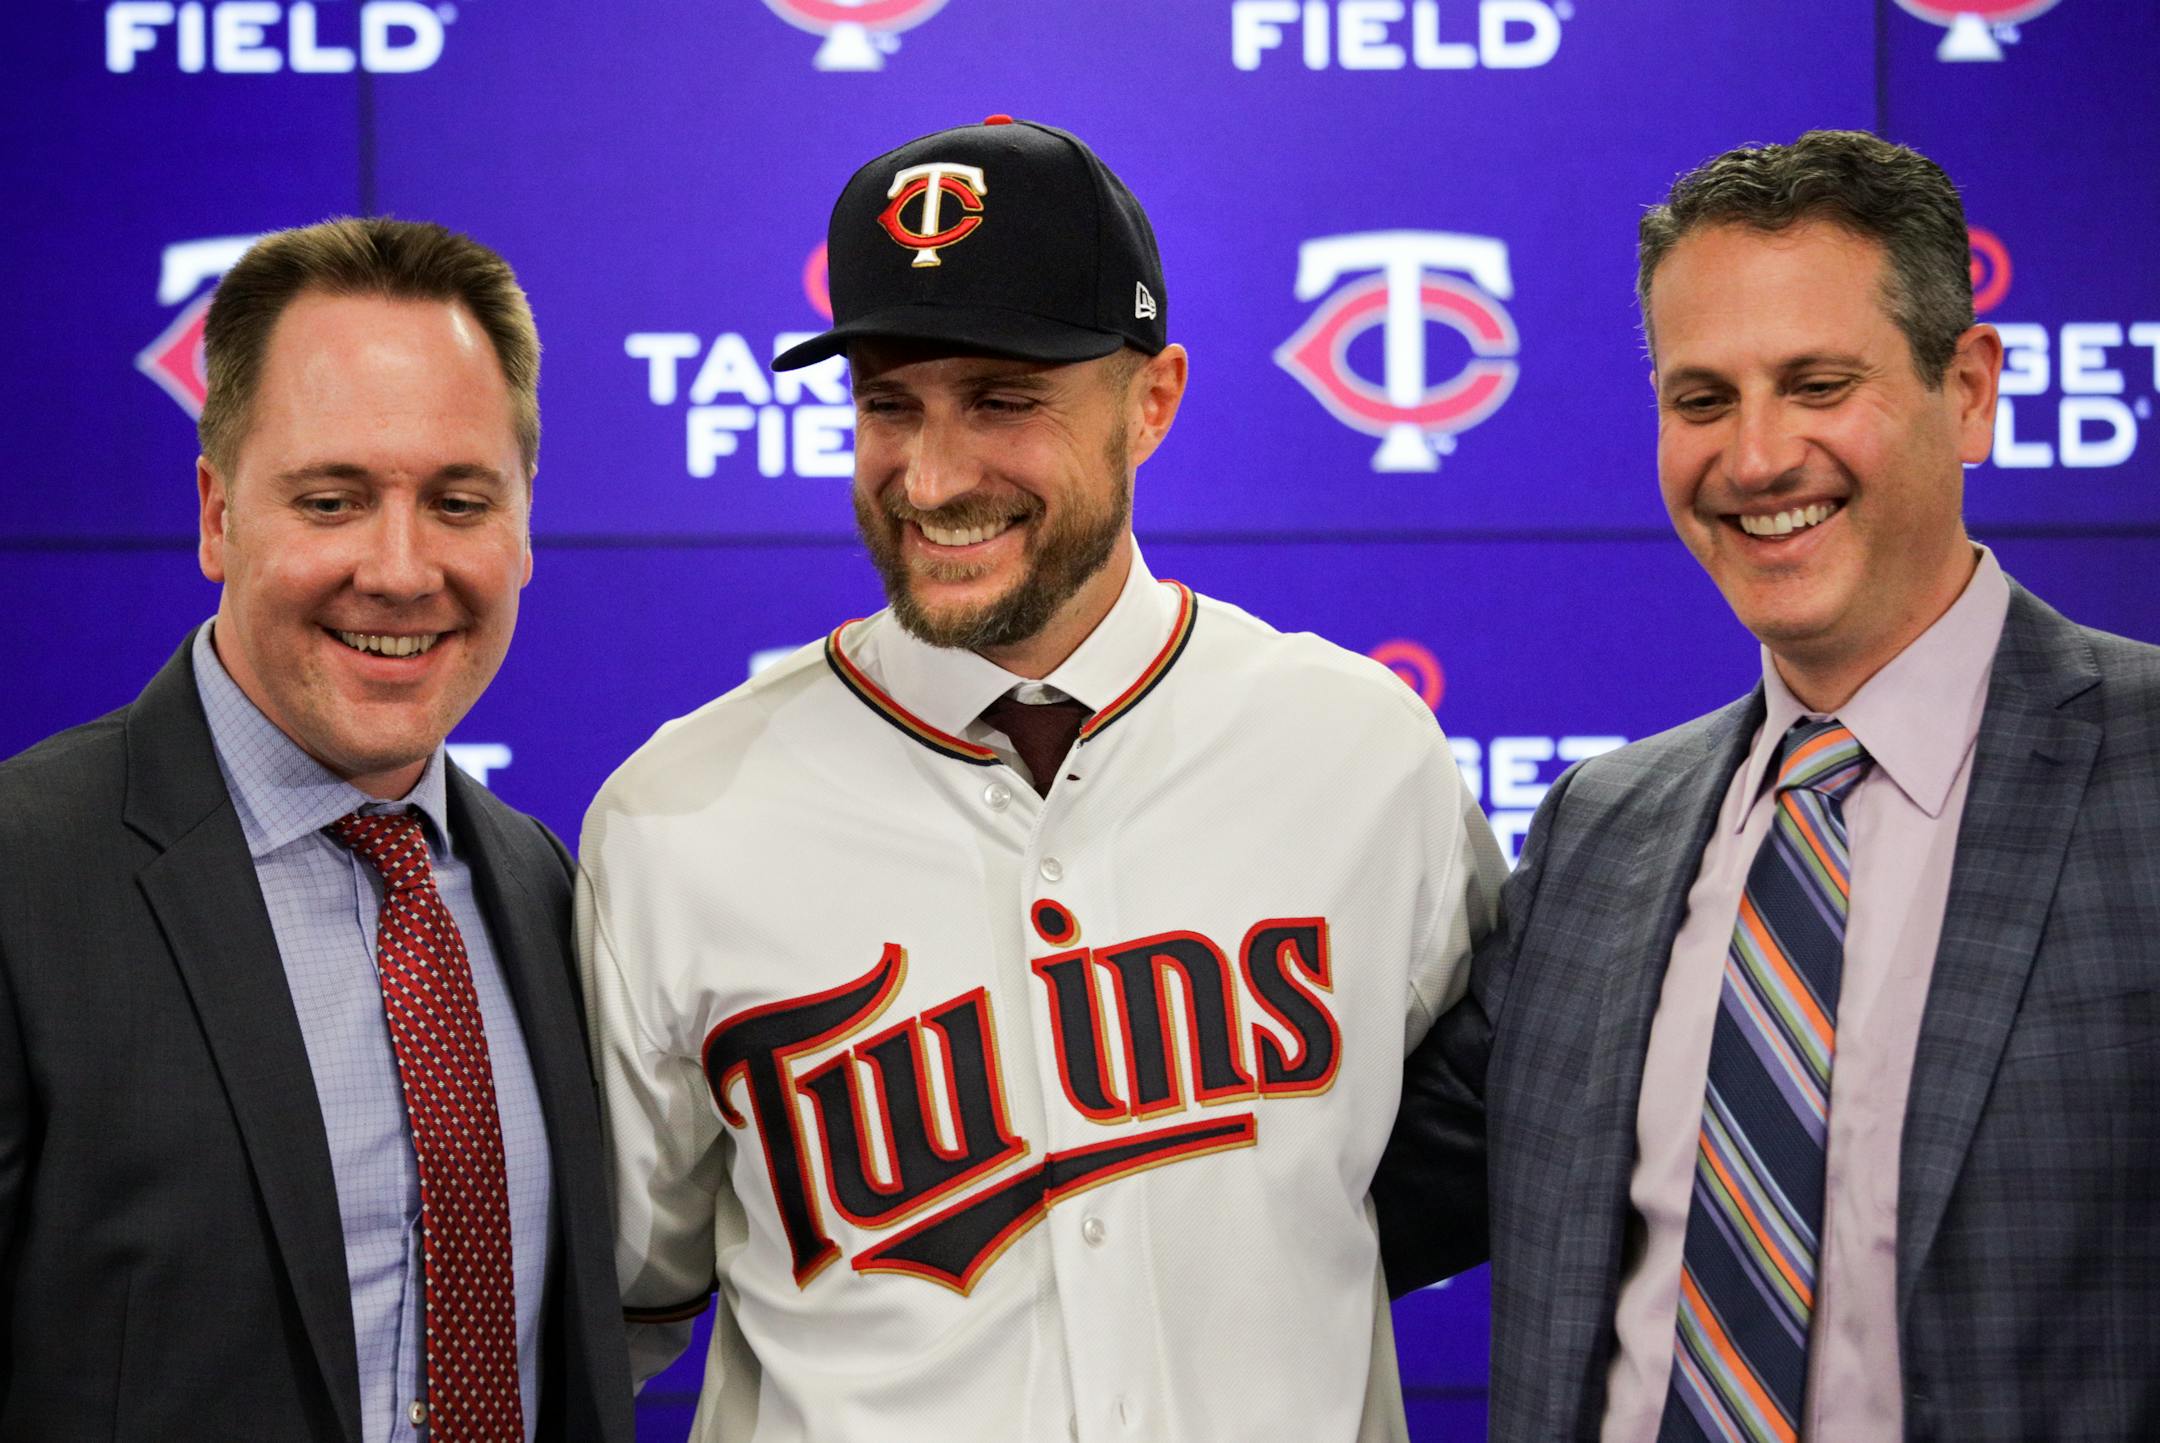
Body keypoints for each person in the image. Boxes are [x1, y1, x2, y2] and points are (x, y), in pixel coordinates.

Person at [576, 116, 1505, 1442]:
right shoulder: (677, 816)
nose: (934, 474)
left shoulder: (1360, 752)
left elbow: (1465, 1158)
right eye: (889, 401)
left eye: (1004, 398)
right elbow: (605, 1309)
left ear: (1154, 397)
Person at [1376, 129, 2160, 1441]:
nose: (1754, 457)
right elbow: (1336, 1196)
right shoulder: (1598, 830)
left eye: (1815, 382)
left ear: (1968, 389)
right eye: (1701, 398)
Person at [0, 218, 634, 1441]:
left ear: (524, 527)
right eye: (333, 500)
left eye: (459, 501)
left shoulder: (544, 881)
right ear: (217, 514)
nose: (400, 570)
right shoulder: (26, 879)